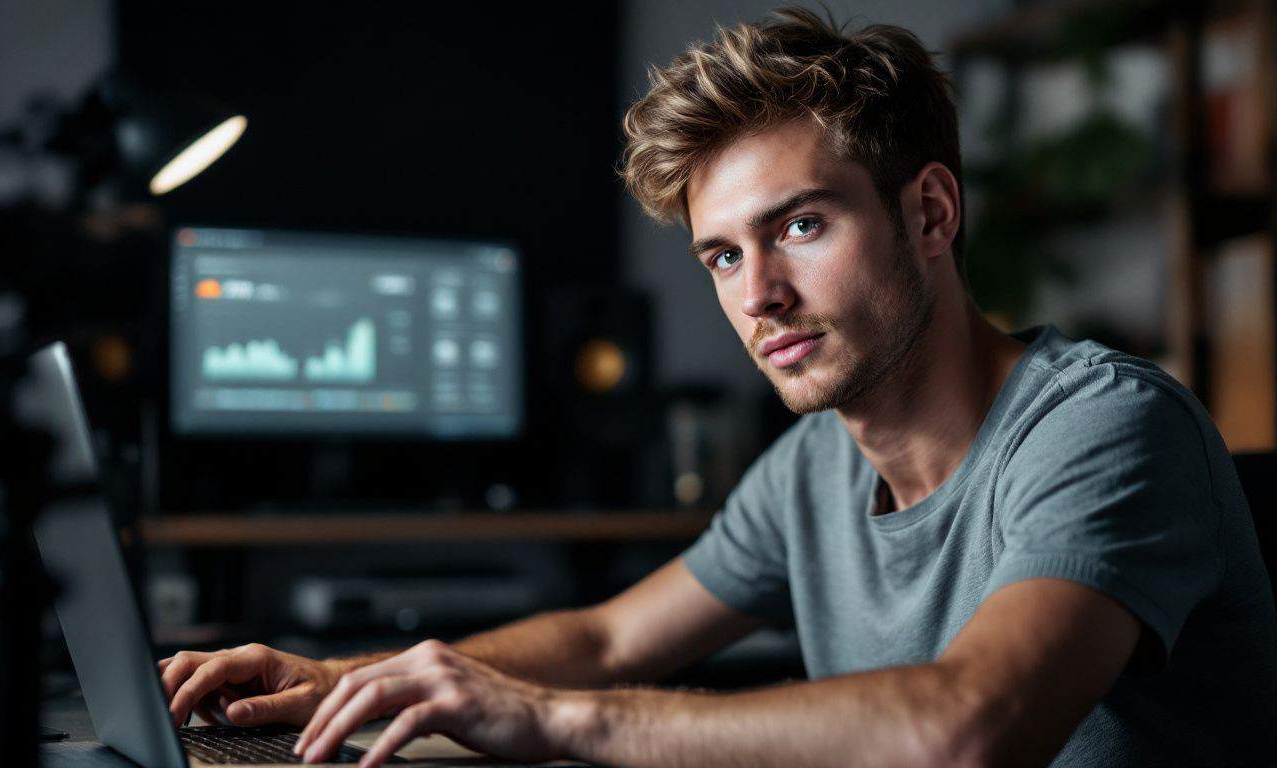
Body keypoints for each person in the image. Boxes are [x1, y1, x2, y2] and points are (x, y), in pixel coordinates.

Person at [159, 8, 1277, 766]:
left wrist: (557, 721)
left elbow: (968, 729)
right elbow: (605, 642)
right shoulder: (813, 469)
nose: (761, 296)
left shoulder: (1107, 429)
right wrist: (344, 681)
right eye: (724, 255)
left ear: (930, 214)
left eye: (801, 225)